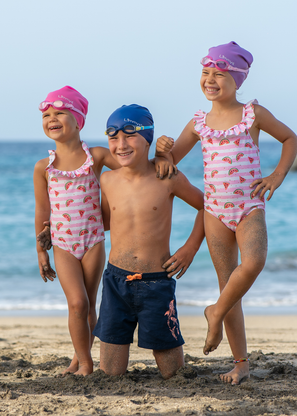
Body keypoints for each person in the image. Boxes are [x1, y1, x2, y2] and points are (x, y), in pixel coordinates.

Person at [155, 42, 297, 384]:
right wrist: (162, 150)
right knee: (228, 283)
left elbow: (290, 139)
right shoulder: (198, 123)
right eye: (205, 73)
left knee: (253, 263)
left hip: (249, 206)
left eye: (219, 75)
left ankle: (214, 311)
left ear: (237, 80)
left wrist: (276, 176)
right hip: (215, 211)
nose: (210, 80)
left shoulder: (253, 114)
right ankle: (240, 363)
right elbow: (169, 161)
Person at [93, 104, 205, 379]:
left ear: (147, 138)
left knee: (173, 374)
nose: (121, 145)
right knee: (109, 374)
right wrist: (59, 225)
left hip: (156, 283)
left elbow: (207, 207)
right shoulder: (107, 180)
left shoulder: (167, 177)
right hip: (115, 282)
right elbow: (105, 223)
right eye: (113, 137)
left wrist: (190, 248)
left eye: (129, 135)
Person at [33, 86, 121, 376]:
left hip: (93, 240)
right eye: (47, 115)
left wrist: (159, 160)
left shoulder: (96, 156)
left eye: (60, 112)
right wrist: (40, 252)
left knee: (89, 305)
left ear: (78, 120)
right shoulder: (43, 168)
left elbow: (130, 169)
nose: (52, 118)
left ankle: (77, 357)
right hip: (62, 243)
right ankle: (86, 362)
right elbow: (42, 211)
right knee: (77, 303)